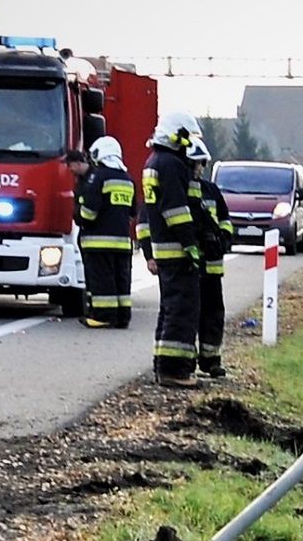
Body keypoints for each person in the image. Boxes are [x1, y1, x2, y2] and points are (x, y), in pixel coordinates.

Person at [137, 110, 202, 388]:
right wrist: (191, 245)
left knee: (170, 308)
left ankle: (163, 364)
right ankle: (174, 371)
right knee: (182, 310)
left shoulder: (154, 161)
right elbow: (176, 210)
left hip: (164, 249)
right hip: (177, 250)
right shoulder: (172, 164)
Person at [71, 137, 136, 328]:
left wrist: (78, 215)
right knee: (121, 280)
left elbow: (89, 213)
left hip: (97, 241)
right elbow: (133, 212)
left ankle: (102, 316)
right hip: (122, 242)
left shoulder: (97, 177)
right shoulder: (127, 179)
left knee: (102, 280)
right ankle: (122, 316)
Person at [185, 138, 232, 377]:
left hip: (212, 268)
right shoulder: (177, 189)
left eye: (202, 164)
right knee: (188, 315)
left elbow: (225, 219)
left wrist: (223, 238)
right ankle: (186, 360)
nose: (199, 168)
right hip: (189, 267)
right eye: (196, 163)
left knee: (213, 315)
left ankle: (211, 360)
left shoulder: (211, 191)